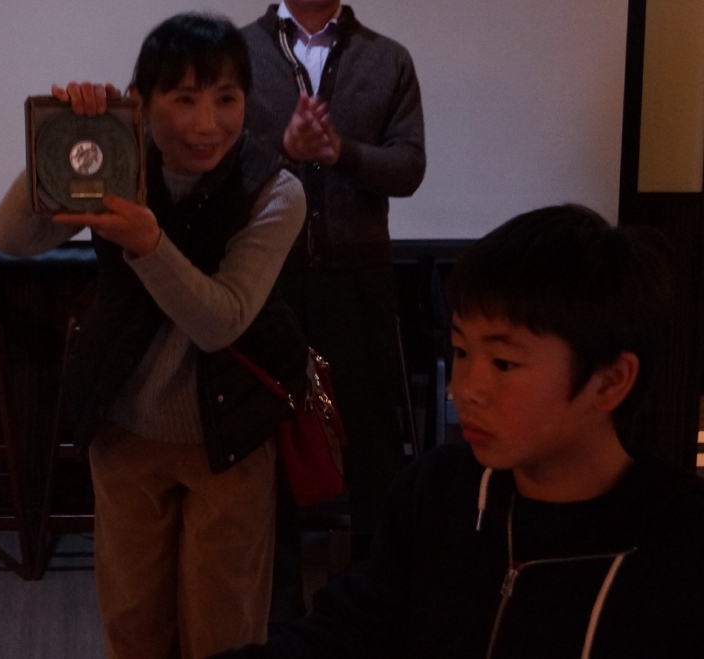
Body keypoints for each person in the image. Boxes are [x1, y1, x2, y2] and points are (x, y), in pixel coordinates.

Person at [212, 204, 704, 659]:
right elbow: (339, 637)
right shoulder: (439, 493)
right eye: (462, 352)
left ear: (611, 381)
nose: (465, 390)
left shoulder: (678, 541)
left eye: (504, 362)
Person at [0, 13, 307, 659]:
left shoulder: (274, 189)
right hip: (126, 425)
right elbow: (12, 238)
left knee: (224, 630)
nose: (207, 123)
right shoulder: (116, 159)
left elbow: (221, 319)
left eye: (226, 99)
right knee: (133, 625)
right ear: (141, 100)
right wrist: (64, 133)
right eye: (183, 99)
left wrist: (148, 243)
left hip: (230, 436)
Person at [240, 0, 426, 594]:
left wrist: (338, 152)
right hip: (265, 282)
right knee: (270, 443)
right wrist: (282, 153)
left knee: (373, 444)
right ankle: (278, 606)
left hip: (359, 279)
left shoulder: (389, 59)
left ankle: (375, 598)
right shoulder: (238, 54)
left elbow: (409, 167)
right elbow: (214, 166)